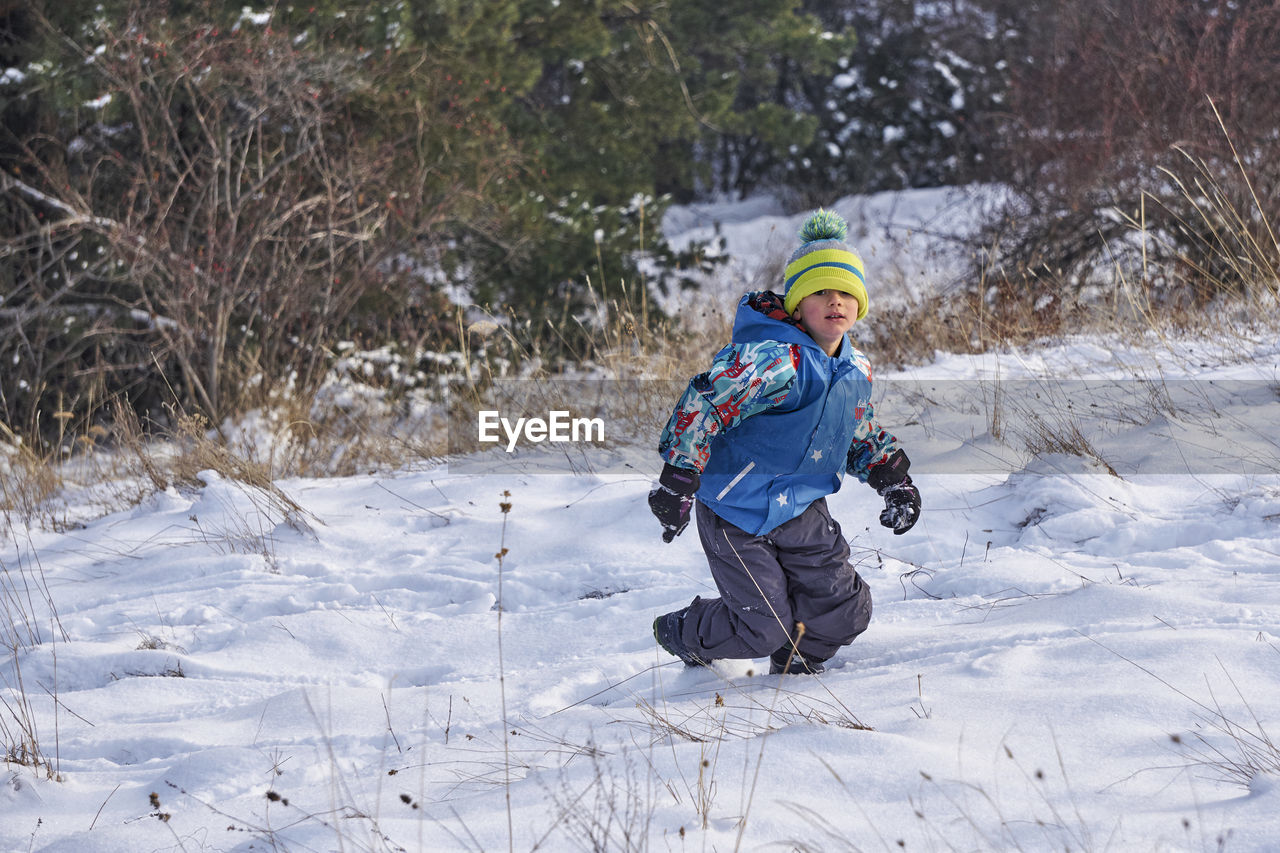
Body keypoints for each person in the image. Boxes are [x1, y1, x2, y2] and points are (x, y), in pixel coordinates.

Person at [647, 209, 921, 675]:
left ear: (860, 304)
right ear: (796, 306)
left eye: (845, 293)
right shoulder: (772, 361)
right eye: (819, 292)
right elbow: (705, 405)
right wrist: (679, 479)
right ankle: (684, 632)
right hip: (736, 508)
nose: (835, 301)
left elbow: (856, 431)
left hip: (803, 509)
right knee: (762, 625)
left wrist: (893, 479)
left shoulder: (855, 371)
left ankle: (795, 667)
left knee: (845, 612)